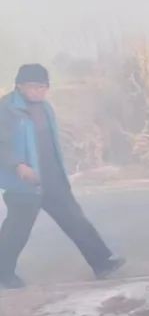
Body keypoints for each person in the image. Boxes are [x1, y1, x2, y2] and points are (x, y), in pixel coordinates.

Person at [0, 64, 124, 289]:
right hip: (24, 183)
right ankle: (3, 274)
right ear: (19, 85)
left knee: (75, 220)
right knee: (16, 232)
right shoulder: (6, 109)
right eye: (33, 87)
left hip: (53, 177)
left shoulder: (45, 108)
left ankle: (102, 263)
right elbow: (3, 145)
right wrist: (19, 165)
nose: (38, 91)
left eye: (43, 87)